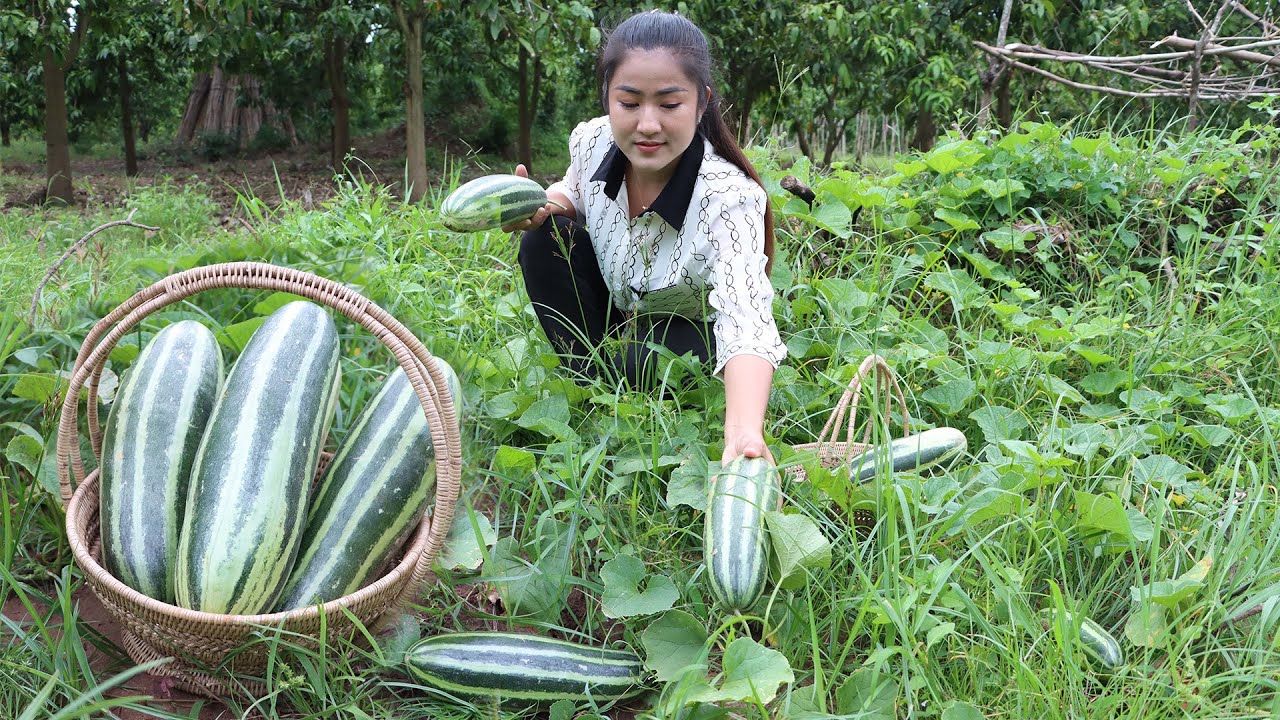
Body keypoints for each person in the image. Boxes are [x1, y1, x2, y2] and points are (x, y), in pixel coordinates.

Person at [504, 10, 786, 463]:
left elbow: (746, 317)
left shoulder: (729, 198)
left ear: (701, 102)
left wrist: (743, 431)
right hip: (618, 310)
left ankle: (617, 381)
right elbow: (573, 187)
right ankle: (587, 385)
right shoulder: (592, 140)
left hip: (690, 330)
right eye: (630, 103)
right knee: (544, 241)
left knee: (635, 362)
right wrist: (546, 203)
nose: (648, 124)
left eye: (669, 105)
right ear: (608, 98)